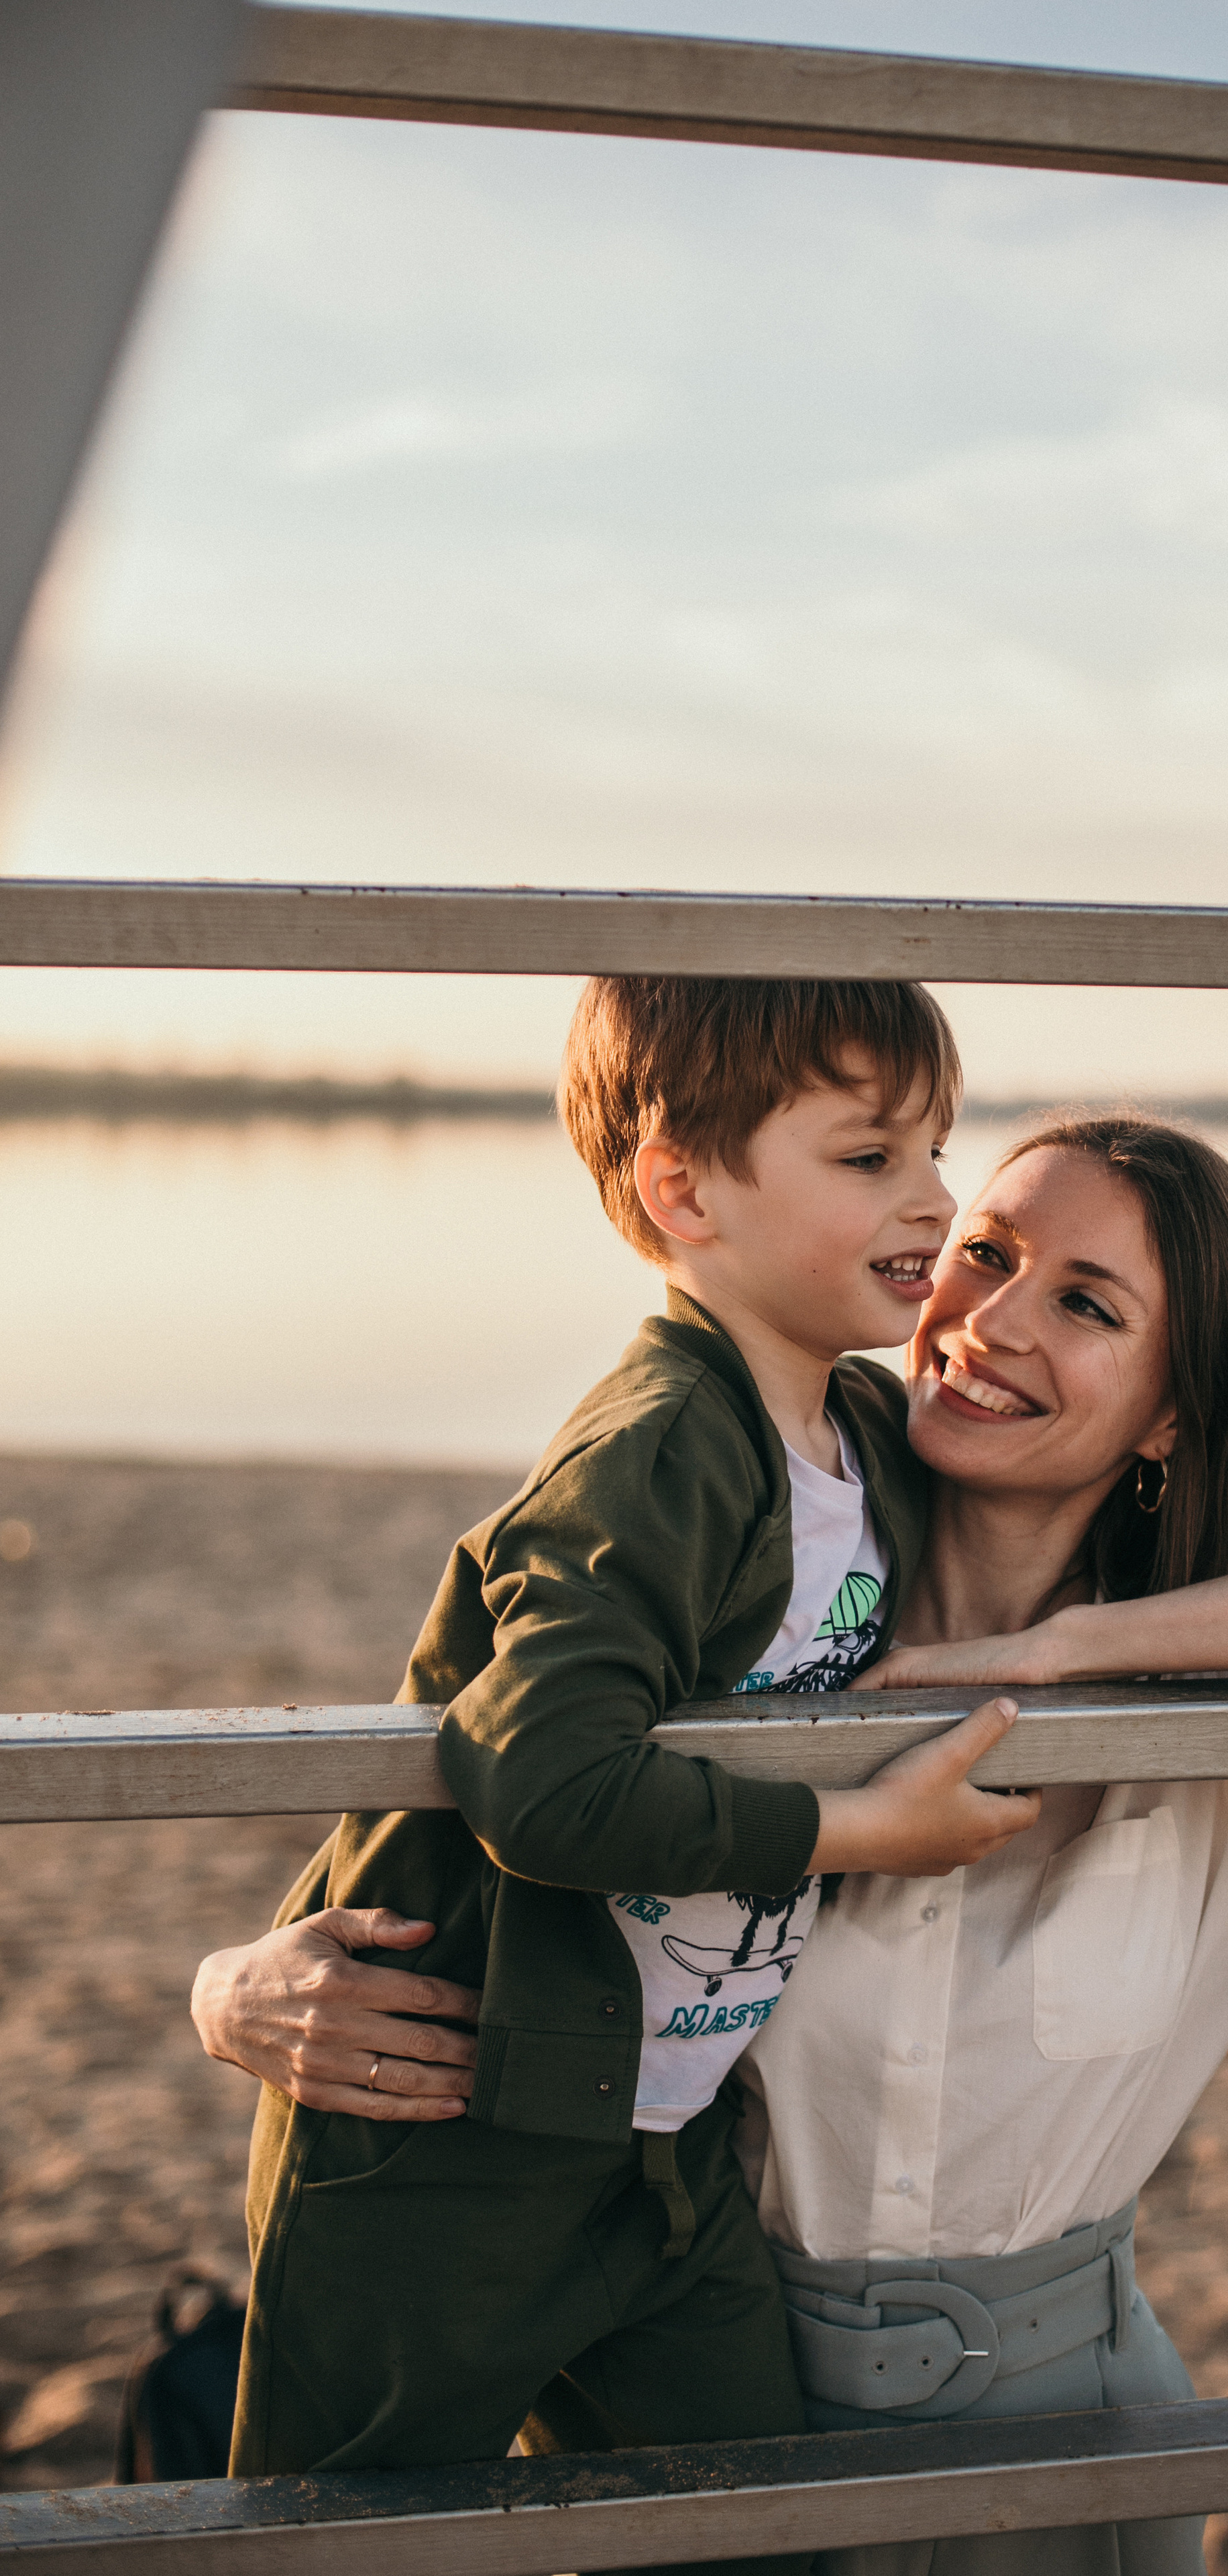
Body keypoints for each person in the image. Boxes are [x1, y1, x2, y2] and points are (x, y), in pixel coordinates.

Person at [196, 1118, 1228, 2575]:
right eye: (986, 1255)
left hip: (1054, 2444)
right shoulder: (754, 1610)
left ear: (1170, 1416)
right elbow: (511, 1767)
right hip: (695, 2384)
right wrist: (236, 1987)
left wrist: (1084, 1644)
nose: (995, 1321)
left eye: (1086, 1304)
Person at [231, 973, 1053, 2539]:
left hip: (665, 2157)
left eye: (936, 1148)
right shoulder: (654, 1451)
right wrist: (857, 1830)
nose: (936, 1199)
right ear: (683, 1186)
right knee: (331, 2541)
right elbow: (537, 1774)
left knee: (743, 2534)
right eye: (868, 1155)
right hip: (443, 2149)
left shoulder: (860, 1436)